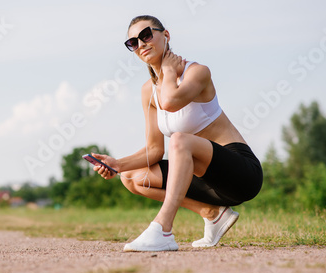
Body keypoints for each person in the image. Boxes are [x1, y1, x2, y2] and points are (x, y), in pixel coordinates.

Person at [91, 15, 263, 252]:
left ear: (166, 35)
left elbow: (171, 102)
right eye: (133, 42)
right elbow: (154, 150)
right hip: (204, 180)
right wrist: (118, 164)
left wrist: (169, 72)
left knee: (180, 139)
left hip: (241, 175)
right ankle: (212, 214)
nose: (141, 44)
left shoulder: (197, 72)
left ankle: (163, 229)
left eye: (146, 35)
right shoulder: (147, 92)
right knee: (131, 177)